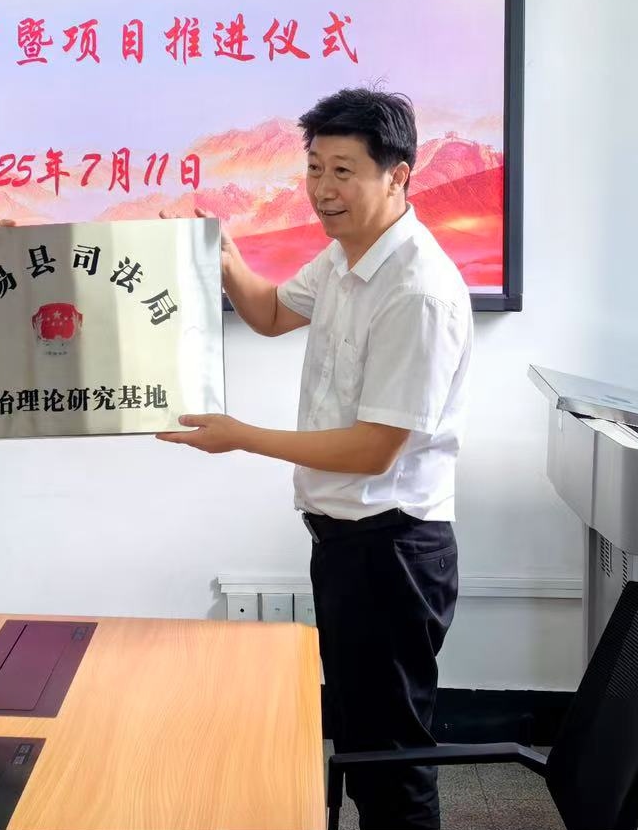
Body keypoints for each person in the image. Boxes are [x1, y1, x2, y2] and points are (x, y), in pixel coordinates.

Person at [158, 88, 472, 829]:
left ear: (398, 175)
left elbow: (373, 448)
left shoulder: (416, 291)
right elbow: (270, 313)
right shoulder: (344, 258)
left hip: (392, 549)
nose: (323, 189)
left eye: (344, 171)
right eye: (314, 168)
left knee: (391, 761)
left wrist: (242, 434)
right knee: (363, 743)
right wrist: (224, 258)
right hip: (345, 541)